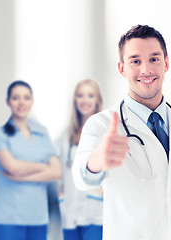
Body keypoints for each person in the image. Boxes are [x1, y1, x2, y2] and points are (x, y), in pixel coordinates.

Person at [72, 25, 171, 240]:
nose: (146, 70)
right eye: (135, 61)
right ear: (122, 68)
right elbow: (80, 178)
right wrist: (96, 161)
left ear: (166, 63)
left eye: (154, 59)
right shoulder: (101, 124)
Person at [0, 80, 62, 240]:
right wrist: (43, 167)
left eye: (26, 98)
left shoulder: (42, 134)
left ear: (32, 101)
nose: (21, 103)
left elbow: (57, 171)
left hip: (38, 218)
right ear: (8, 102)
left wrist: (23, 176)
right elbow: (12, 167)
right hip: (8, 218)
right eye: (16, 98)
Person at [56, 79, 103, 240]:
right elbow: (56, 165)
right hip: (70, 209)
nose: (84, 100)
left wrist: (104, 191)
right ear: (75, 100)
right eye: (80, 95)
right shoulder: (65, 135)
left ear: (97, 100)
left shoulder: (104, 131)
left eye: (90, 95)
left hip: (96, 212)